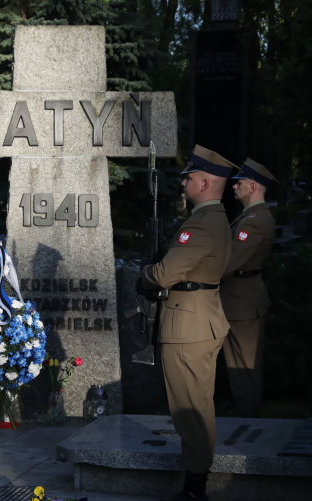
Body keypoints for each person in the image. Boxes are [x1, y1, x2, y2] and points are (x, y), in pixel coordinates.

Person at [140, 145, 236, 501]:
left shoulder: (201, 223)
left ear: (206, 182)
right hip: (202, 318)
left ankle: (195, 488)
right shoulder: (218, 219)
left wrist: (145, 273)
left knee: (188, 410)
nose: (184, 184)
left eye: (190, 177)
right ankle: (196, 481)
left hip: (186, 327)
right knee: (199, 405)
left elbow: (165, 274)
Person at [220, 159, 277, 418]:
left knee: (244, 368)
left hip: (242, 301)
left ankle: (249, 425)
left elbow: (231, 262)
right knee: (239, 367)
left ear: (252, 187)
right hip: (239, 298)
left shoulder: (254, 220)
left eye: (239, 183)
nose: (234, 187)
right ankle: (245, 417)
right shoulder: (250, 216)